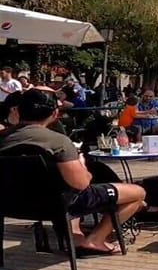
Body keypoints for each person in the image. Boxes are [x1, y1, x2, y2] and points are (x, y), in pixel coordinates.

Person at [0, 88, 146, 255]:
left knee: (66, 188)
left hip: (10, 204)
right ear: (55, 114)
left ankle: (77, 238)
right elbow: (81, 183)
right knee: (137, 193)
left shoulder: (3, 138)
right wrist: (82, 165)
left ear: (18, 110)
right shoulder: (57, 141)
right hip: (56, 204)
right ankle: (96, 240)